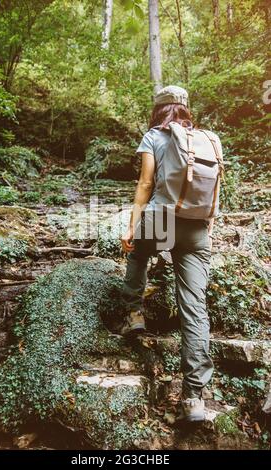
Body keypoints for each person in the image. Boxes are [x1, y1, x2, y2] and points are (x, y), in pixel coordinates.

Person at [120, 85, 221, 422]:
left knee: (137, 254)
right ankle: (194, 399)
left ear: (159, 110)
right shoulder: (206, 139)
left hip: (161, 219)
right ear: (185, 109)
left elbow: (146, 184)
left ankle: (134, 316)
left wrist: (132, 226)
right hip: (196, 227)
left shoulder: (153, 136)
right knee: (194, 308)